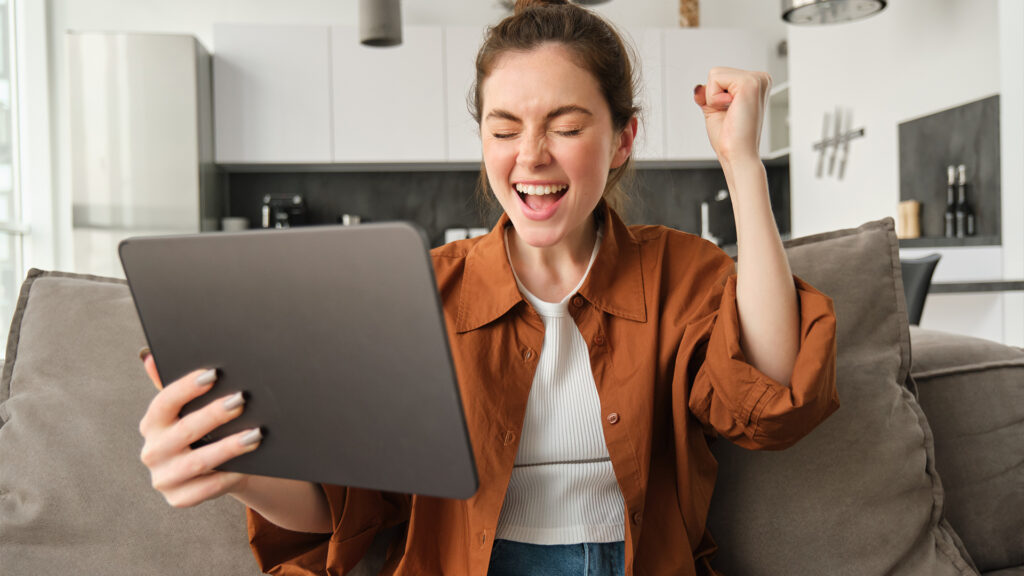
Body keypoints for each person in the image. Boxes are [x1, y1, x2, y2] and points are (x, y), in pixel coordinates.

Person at [137, 1, 839, 574]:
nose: (531, 156)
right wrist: (236, 470)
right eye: (505, 129)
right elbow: (347, 505)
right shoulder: (418, 295)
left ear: (623, 140)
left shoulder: (682, 272)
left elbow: (774, 394)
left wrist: (742, 162)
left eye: (566, 127)